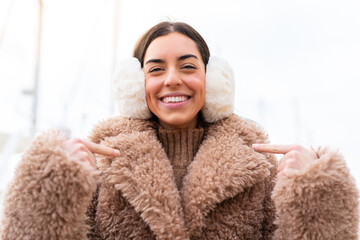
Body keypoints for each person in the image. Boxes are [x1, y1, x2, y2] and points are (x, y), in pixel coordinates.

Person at [0, 21, 359, 240]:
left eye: (188, 66)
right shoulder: (96, 166)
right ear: (134, 85)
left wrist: (317, 193)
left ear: (214, 81)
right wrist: (50, 187)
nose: (172, 79)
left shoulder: (261, 169)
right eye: (155, 69)